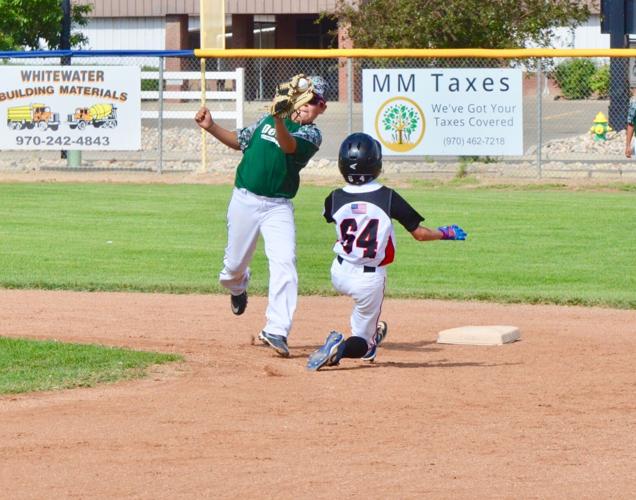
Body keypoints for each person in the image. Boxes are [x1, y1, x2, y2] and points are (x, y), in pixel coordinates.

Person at [306, 132, 468, 371]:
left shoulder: (334, 197)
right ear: (376, 164)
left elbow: (331, 216)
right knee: (364, 343)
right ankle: (341, 347)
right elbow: (419, 233)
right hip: (369, 279)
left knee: (365, 321)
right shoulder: (387, 197)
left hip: (339, 272)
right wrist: (445, 233)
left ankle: (369, 331)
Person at [194, 75, 328, 358]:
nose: (307, 106)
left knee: (285, 262)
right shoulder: (267, 120)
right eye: (304, 98)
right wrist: (211, 127)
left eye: (314, 102)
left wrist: (279, 119)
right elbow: (240, 141)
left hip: (278, 206)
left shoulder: (311, 135)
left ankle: (277, 329)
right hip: (244, 199)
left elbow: (288, 146)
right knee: (231, 268)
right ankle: (238, 285)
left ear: (321, 108)